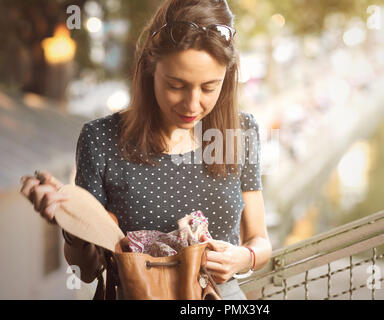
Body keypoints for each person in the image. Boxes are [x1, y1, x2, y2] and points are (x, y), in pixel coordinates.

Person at [20, 0, 272, 300]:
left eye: (208, 88)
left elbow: (260, 241)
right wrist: (70, 222)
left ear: (226, 79)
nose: (192, 104)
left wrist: (243, 258)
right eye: (176, 85)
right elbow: (86, 271)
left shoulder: (240, 132)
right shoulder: (100, 139)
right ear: (151, 69)